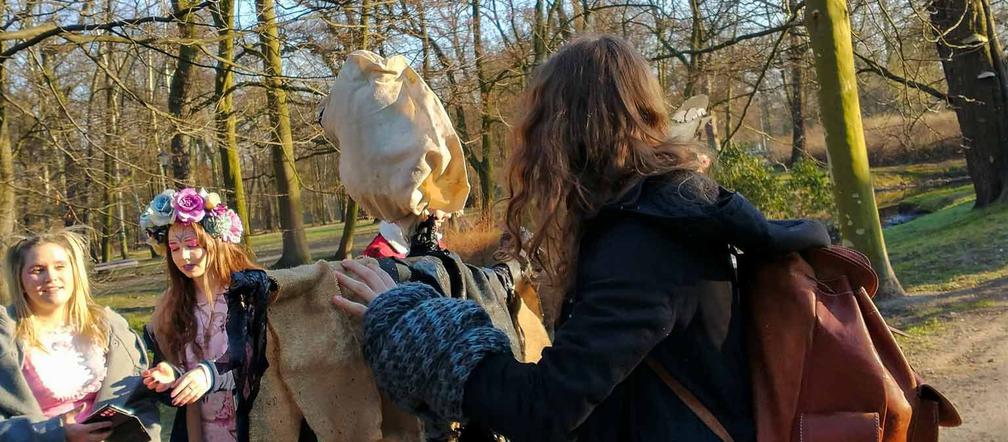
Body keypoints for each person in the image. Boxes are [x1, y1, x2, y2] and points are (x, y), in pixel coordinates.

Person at [331, 35, 830, 441]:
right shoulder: (665, 217)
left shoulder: (648, 243)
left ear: (560, 135)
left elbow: (544, 408)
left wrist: (416, 321)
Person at [139, 188, 276, 442]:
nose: (183, 256)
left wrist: (209, 374)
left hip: (260, 428)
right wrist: (170, 374)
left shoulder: (249, 292)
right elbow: (176, 368)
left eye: (192, 245)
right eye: (174, 248)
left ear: (215, 242)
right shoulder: (171, 306)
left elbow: (256, 356)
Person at [0, 229, 160, 441]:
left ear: (75, 272)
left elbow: (140, 401)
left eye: (60, 267)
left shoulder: (109, 327)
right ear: (19, 278)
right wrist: (56, 433)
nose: (51, 277)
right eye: (38, 270)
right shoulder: (6, 337)